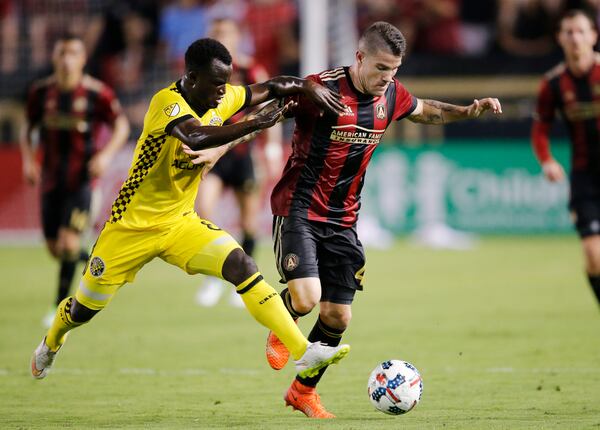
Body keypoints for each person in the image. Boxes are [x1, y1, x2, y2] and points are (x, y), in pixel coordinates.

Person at [184, 22, 501, 418]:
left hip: (344, 219)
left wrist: (468, 111)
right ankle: (284, 319)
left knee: (338, 316)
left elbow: (427, 111)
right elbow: (269, 114)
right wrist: (221, 146)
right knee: (307, 297)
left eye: (395, 70)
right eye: (382, 68)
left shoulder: (392, 96)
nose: (388, 78)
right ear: (360, 57)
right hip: (298, 208)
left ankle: (302, 392)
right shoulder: (322, 90)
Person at [30, 38, 351, 396]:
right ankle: (52, 341)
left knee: (242, 265)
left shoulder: (222, 95)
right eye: (215, 84)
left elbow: (275, 85)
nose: (222, 92)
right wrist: (254, 124)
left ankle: (302, 351)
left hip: (180, 222)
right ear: (191, 77)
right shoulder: (166, 103)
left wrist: (308, 87)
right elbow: (196, 137)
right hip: (129, 229)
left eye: (225, 83)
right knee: (82, 310)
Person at [20, 34, 130, 328]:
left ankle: (58, 308)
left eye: (73, 54)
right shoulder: (41, 93)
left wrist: (105, 156)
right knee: (56, 249)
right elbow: (26, 125)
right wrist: (29, 159)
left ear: (83, 59)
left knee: (68, 242)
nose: (67, 60)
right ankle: (96, 260)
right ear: (54, 58)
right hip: (51, 181)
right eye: (62, 53)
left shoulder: (97, 93)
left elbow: (121, 125)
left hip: (83, 180)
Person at [195, 17, 283, 308]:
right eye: (217, 34)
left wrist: (271, 148)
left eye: (227, 34)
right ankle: (213, 278)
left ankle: (245, 280)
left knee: (248, 221)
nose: (223, 39)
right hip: (212, 152)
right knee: (204, 211)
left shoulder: (250, 69)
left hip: (244, 153)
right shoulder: (200, 73)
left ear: (236, 38)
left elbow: (272, 107)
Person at [531, 9, 600, 306]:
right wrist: (547, 160)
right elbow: (540, 130)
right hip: (585, 178)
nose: (575, 38)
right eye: (569, 32)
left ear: (594, 36)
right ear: (560, 38)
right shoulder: (553, 84)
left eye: (581, 31)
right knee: (593, 256)